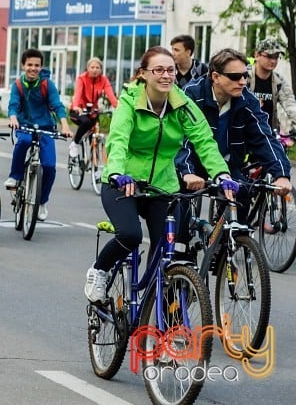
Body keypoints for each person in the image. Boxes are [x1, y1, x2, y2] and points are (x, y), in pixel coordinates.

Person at [84, 46, 238, 303]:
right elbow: (119, 139)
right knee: (130, 235)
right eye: (158, 70)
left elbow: (204, 142)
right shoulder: (129, 101)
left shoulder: (182, 105)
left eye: (170, 70)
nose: (166, 75)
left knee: (167, 253)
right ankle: (99, 271)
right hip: (124, 184)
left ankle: (162, 315)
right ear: (144, 74)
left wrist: (221, 174)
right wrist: (118, 173)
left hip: (162, 186)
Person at [176, 48, 291, 221]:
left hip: (228, 163)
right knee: (182, 205)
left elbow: (263, 137)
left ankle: (227, 242)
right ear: (216, 77)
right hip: (194, 162)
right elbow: (181, 138)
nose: (243, 81)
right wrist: (187, 171)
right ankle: (181, 244)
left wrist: (281, 174)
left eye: (245, 75)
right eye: (235, 77)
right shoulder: (192, 94)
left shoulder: (246, 99)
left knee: (243, 194)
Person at [4, 48, 71, 221]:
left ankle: (42, 202)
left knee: (49, 166)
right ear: (23, 65)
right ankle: (15, 176)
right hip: (24, 126)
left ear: (41, 67)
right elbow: (13, 105)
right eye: (30, 65)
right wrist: (13, 118)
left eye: (37, 65)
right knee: (23, 142)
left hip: (45, 128)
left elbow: (57, 106)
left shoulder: (47, 84)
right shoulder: (18, 85)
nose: (33, 68)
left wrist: (64, 125)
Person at [69, 57, 118, 169]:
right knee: (85, 122)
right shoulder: (82, 78)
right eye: (92, 67)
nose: (95, 70)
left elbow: (110, 95)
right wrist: (76, 106)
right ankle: (75, 144)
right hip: (78, 110)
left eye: (97, 67)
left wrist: (118, 107)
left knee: (94, 136)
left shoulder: (104, 80)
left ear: (101, 69)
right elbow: (78, 93)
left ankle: (95, 168)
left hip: (92, 112)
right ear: (88, 68)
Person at [246, 37, 296, 137]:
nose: (273, 61)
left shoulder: (279, 81)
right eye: (269, 56)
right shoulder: (244, 76)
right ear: (256, 55)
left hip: (267, 134)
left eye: (276, 57)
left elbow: (291, 105)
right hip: (243, 132)